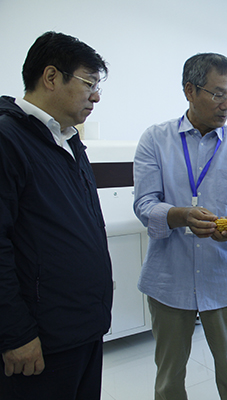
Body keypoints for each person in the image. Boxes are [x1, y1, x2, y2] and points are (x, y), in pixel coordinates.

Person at [133, 53, 227, 400]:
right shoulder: (156, 139)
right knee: (169, 380)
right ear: (190, 90)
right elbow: (144, 203)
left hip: (224, 279)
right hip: (169, 278)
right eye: (218, 93)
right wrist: (179, 215)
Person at [0, 32, 112, 400]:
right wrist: (15, 334)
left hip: (82, 327)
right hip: (39, 339)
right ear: (51, 77)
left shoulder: (67, 140)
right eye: (88, 83)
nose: (96, 96)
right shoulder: (9, 139)